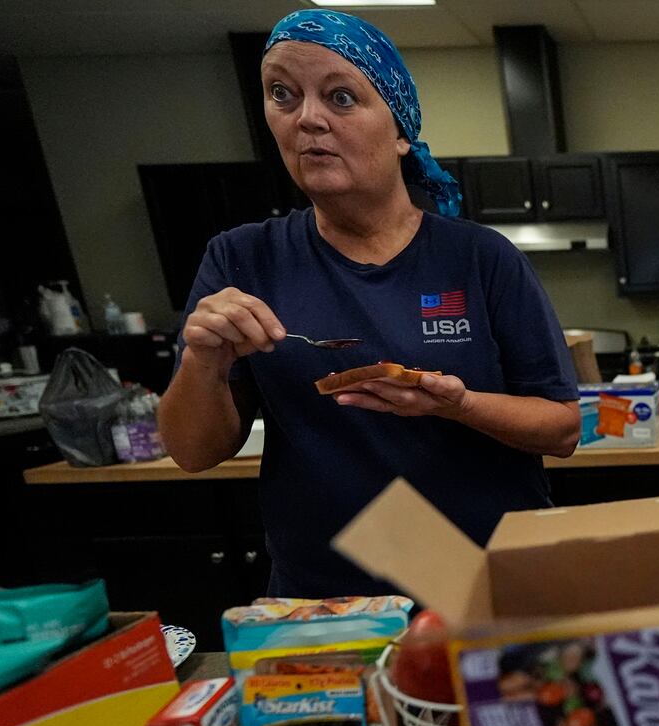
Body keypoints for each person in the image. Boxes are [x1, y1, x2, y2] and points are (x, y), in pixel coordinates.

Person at [159, 10, 580, 598]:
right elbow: (192, 454)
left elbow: (561, 428)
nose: (308, 118)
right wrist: (203, 363)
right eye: (283, 94)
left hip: (485, 587)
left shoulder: (482, 259)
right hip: (323, 600)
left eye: (341, 97)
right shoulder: (242, 261)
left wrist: (458, 405)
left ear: (401, 128)